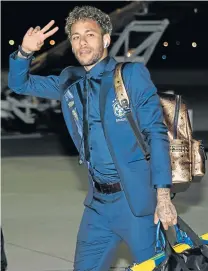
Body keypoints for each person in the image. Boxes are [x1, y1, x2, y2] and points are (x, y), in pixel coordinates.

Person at [8, 5, 177, 270]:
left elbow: (156, 134)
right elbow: (20, 84)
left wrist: (164, 196)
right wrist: (25, 52)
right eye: (75, 37)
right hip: (97, 206)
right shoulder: (69, 80)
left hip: (136, 204)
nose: (82, 42)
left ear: (106, 39)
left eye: (89, 34)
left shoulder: (130, 75)